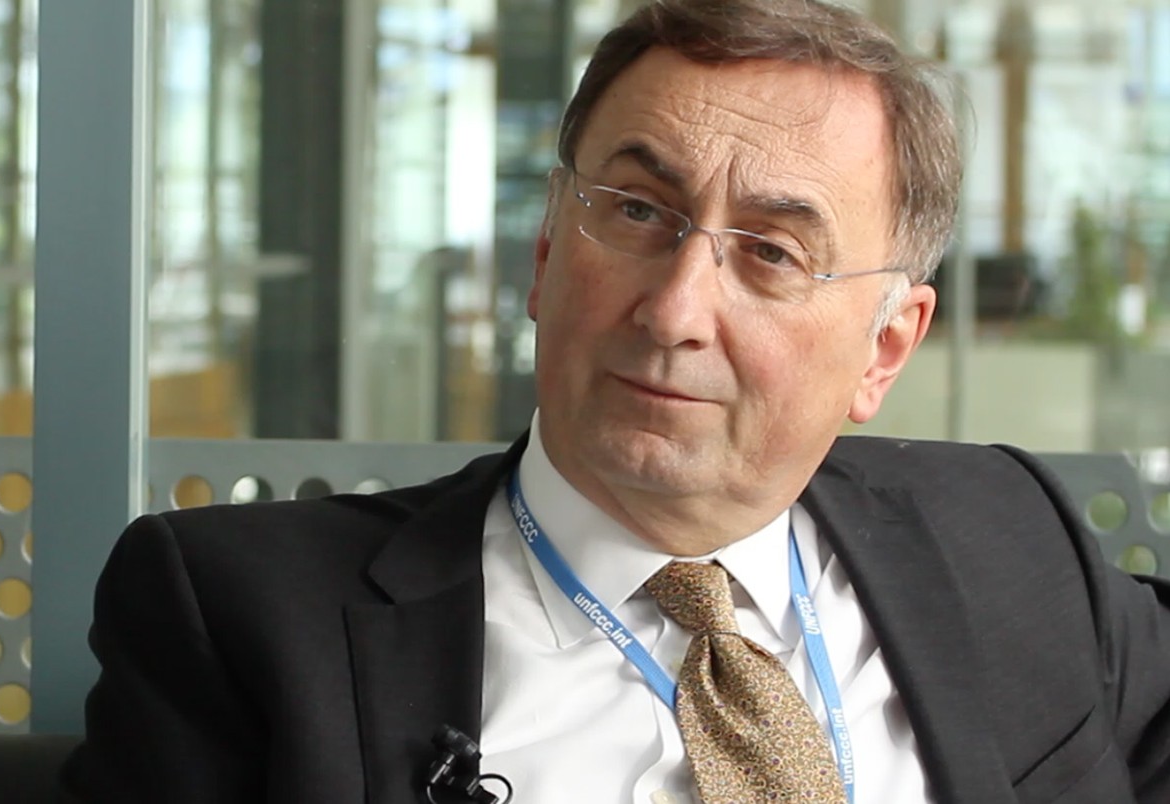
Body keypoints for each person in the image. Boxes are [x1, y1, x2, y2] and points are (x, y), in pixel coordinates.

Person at [60, 1, 1170, 801]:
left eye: (772, 253)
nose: (675, 308)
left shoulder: (1006, 535)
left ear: (884, 348)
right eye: (637, 212)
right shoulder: (242, 620)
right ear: (546, 253)